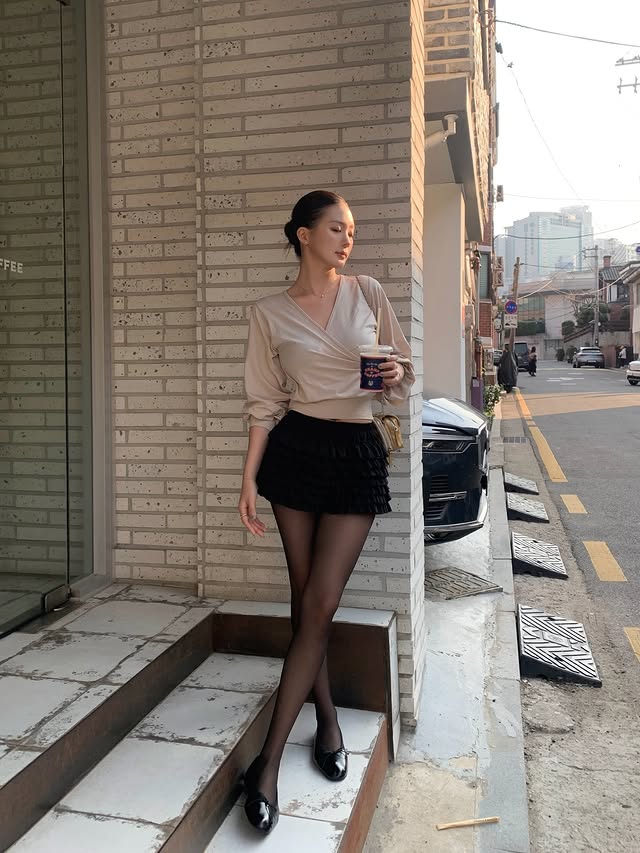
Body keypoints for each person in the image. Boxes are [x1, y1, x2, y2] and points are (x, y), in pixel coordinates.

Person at [239, 189, 415, 835]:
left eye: (352, 230)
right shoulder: (268, 313)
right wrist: (247, 479)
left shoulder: (368, 293)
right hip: (295, 452)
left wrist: (394, 374)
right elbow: (264, 401)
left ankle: (266, 763)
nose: (347, 239)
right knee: (304, 595)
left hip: (356, 450)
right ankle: (328, 721)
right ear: (304, 234)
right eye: (337, 228)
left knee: (320, 601)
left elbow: (401, 372)